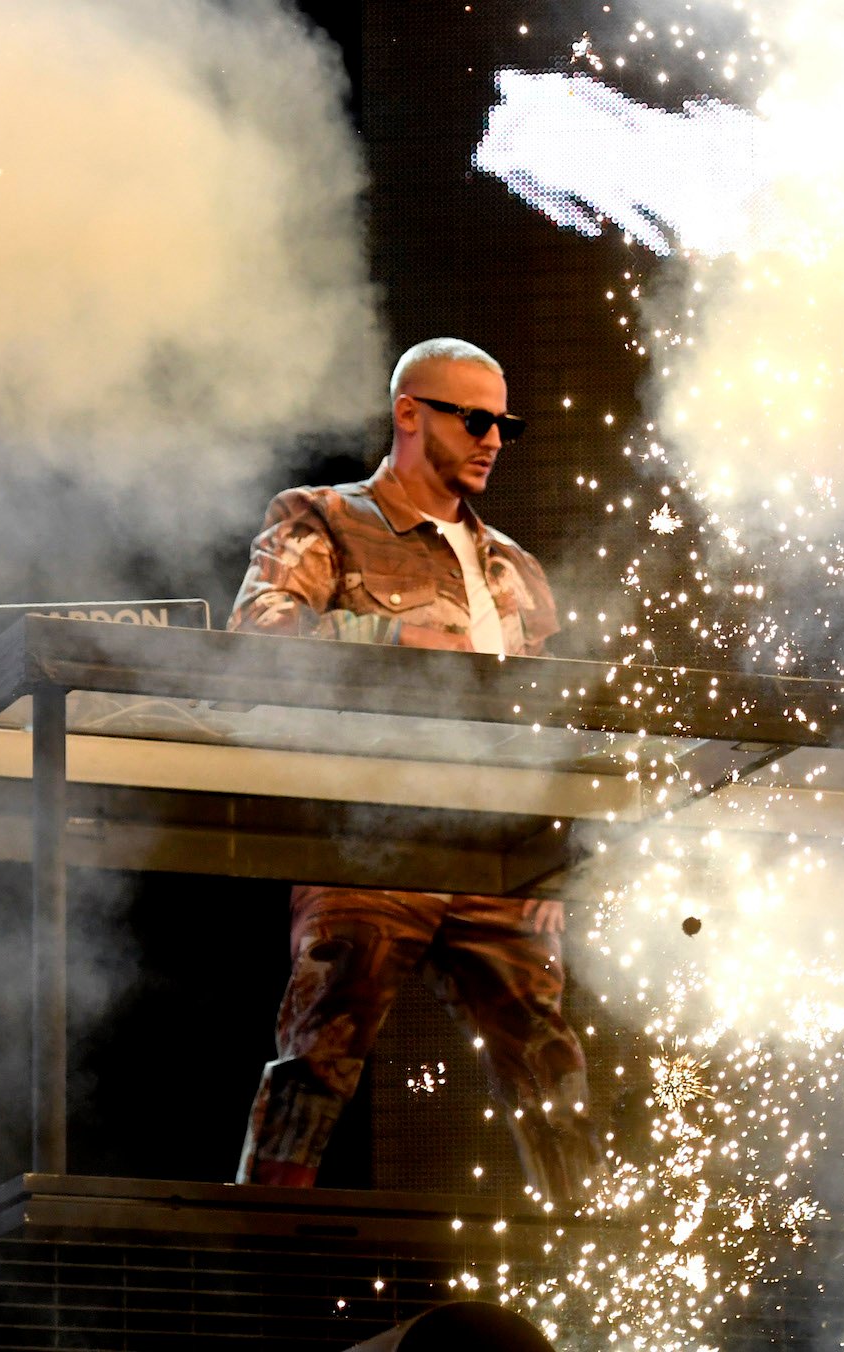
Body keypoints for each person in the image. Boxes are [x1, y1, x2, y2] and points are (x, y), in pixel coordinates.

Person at [228, 337, 601, 1208]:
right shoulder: (324, 518)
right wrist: (384, 639)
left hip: (499, 847)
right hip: (375, 838)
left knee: (550, 1062)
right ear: (410, 414)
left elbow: (550, 722)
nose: (493, 440)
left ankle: (594, 1265)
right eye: (474, 420)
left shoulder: (515, 569)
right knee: (321, 1048)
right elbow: (259, 639)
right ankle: (256, 1249)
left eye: (503, 425)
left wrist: (555, 851)